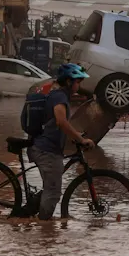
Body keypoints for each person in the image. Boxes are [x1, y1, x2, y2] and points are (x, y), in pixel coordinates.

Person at [28, 63, 95, 220]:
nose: (79, 86)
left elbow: (58, 124)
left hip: (45, 147)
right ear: (68, 81)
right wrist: (81, 139)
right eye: (77, 82)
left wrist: (75, 135)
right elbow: (61, 121)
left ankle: (34, 215)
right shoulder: (59, 96)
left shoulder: (58, 95)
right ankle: (44, 227)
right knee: (53, 192)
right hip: (47, 150)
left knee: (50, 188)